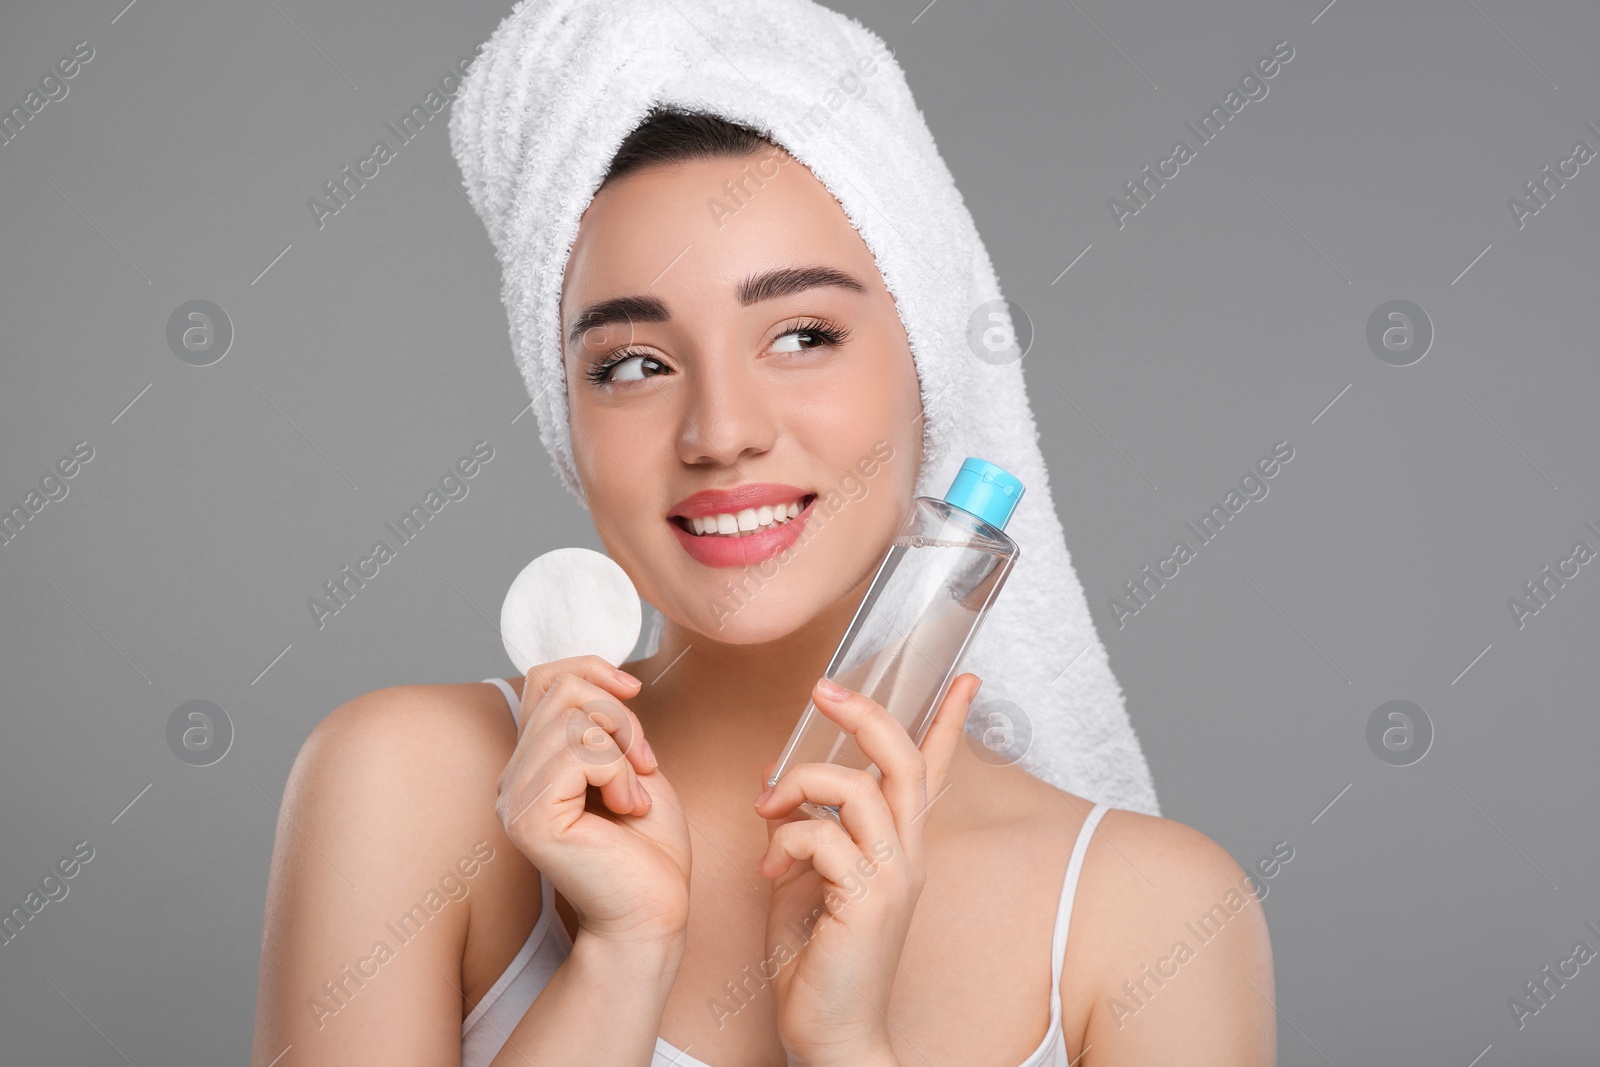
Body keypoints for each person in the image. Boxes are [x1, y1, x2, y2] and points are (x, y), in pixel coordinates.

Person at [250, 99, 1276, 1065]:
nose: (720, 431)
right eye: (635, 363)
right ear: (564, 418)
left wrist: (844, 1045)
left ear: (932, 370)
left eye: (801, 336)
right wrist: (615, 959)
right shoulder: (409, 784)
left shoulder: (1150, 915)